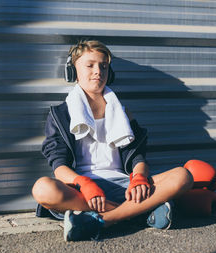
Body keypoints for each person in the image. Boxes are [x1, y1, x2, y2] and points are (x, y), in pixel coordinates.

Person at [32, 40, 194, 241]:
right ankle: (140, 214)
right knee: (42, 188)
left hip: (125, 188)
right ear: (73, 71)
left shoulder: (123, 113)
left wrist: (139, 178)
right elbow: (58, 166)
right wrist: (84, 183)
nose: (98, 71)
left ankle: (102, 221)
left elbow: (137, 156)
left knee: (183, 176)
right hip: (82, 192)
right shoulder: (59, 115)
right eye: (90, 65)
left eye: (103, 66)